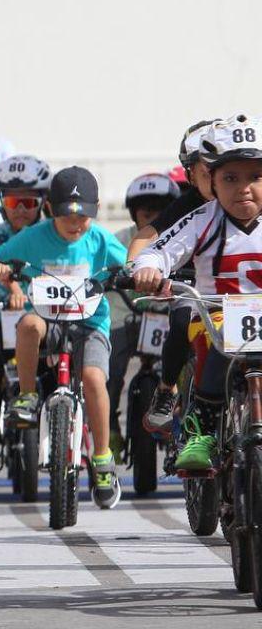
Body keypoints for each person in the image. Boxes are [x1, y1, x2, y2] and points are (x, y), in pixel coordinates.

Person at [0, 166, 127, 508]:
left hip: (90, 321)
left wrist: (135, 275)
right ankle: (28, 395)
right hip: (47, 318)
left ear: (95, 211)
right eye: (66, 218)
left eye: (83, 218)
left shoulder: (100, 239)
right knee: (27, 326)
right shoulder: (35, 237)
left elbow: (131, 265)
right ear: (50, 210)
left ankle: (102, 458)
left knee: (92, 378)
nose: (75, 225)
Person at [132, 115, 262, 471]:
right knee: (218, 340)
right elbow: (158, 249)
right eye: (230, 178)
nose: (244, 188)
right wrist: (148, 268)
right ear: (212, 183)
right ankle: (201, 432)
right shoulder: (203, 219)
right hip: (216, 315)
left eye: (255, 177)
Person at [129, 122, 216, 432]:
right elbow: (146, 238)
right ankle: (168, 389)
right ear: (191, 175)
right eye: (205, 172)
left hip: (239, 291)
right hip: (189, 282)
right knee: (182, 320)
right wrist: (138, 269)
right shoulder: (191, 207)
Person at [0, 154, 51, 444]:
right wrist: (10, 287)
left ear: (43, 203)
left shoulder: (53, 234)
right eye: (11, 203)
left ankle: (62, 419)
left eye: (29, 203)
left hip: (46, 316)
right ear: (2, 203)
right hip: (1, 315)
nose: (20, 210)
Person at [106, 172, 180, 443]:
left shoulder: (182, 238)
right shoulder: (119, 240)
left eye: (163, 211)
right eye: (147, 212)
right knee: (109, 365)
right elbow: (100, 268)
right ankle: (109, 425)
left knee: (184, 356)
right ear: (134, 214)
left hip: (167, 317)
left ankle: (184, 415)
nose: (155, 218)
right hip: (127, 316)